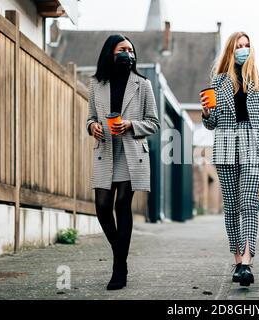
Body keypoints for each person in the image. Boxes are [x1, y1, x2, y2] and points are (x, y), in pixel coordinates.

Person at [201, 32, 259, 287]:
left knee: (248, 203)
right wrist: (207, 112)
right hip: (226, 146)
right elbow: (211, 123)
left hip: (254, 146)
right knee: (231, 208)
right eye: (238, 46)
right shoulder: (218, 82)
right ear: (230, 50)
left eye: (246, 46)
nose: (243, 50)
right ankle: (237, 260)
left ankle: (247, 263)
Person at [86, 34, 160, 290]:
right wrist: (92, 126)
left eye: (131, 49)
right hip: (105, 150)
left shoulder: (143, 84)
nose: (128, 53)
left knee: (122, 204)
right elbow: (90, 118)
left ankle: (119, 269)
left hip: (131, 152)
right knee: (102, 206)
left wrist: (130, 124)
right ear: (111, 53)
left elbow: (154, 123)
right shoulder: (96, 83)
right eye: (123, 49)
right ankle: (121, 254)